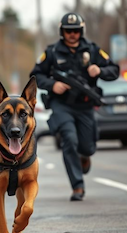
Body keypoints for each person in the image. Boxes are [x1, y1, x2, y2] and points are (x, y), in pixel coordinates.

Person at [30, 12, 119, 201]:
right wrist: (52, 85)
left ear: (81, 31)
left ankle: (85, 156)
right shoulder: (52, 52)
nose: (72, 34)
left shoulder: (93, 50)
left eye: (76, 31)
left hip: (85, 106)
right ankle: (77, 186)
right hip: (62, 105)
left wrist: (100, 70)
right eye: (69, 31)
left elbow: (114, 70)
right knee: (69, 139)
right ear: (63, 31)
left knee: (87, 147)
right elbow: (36, 75)